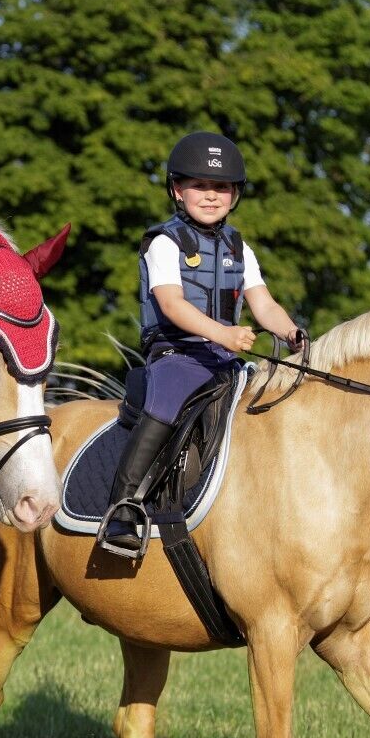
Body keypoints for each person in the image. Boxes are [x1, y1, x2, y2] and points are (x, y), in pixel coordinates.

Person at [100, 131, 305, 556]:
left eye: (221, 188)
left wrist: (290, 333)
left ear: (234, 195)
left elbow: (262, 304)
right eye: (200, 185)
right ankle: (124, 507)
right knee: (167, 402)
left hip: (224, 358)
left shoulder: (238, 247)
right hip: (177, 354)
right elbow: (172, 305)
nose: (211, 196)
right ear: (177, 190)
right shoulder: (164, 242)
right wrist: (225, 334)